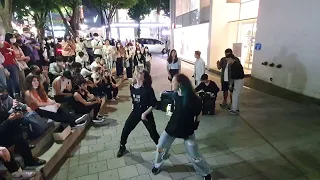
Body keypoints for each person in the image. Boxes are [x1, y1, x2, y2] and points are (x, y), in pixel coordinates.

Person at [151, 74, 212, 180]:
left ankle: (205, 172)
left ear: (180, 83)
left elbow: (199, 113)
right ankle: (157, 164)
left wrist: (195, 125)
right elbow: (164, 102)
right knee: (160, 147)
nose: (171, 83)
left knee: (194, 154)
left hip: (187, 130)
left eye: (173, 81)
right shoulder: (175, 95)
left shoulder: (194, 99)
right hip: (172, 128)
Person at [116, 70, 160, 157]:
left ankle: (161, 148)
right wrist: (133, 105)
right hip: (136, 112)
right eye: (137, 73)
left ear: (144, 77)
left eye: (140, 73)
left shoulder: (148, 89)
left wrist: (144, 114)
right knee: (126, 129)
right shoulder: (132, 86)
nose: (137, 74)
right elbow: (133, 98)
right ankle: (122, 146)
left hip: (146, 113)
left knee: (153, 133)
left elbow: (154, 104)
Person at [1, 33, 20, 97]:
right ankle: (11, 99)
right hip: (3, 66)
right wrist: (4, 68)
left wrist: (15, 61)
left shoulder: (6, 43)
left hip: (12, 64)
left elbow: (13, 54)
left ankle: (18, 98)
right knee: (8, 84)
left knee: (16, 83)